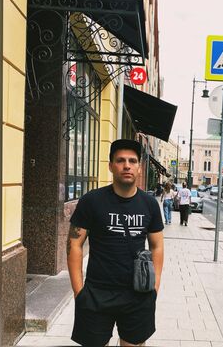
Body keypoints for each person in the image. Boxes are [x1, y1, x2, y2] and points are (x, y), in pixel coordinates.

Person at [67, 139, 164, 347]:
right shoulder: (91, 201)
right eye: (120, 160)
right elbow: (74, 244)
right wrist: (79, 292)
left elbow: (157, 246)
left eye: (132, 161)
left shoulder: (149, 204)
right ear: (111, 166)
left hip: (138, 294)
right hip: (96, 293)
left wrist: (154, 288)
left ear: (139, 167)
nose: (127, 165)